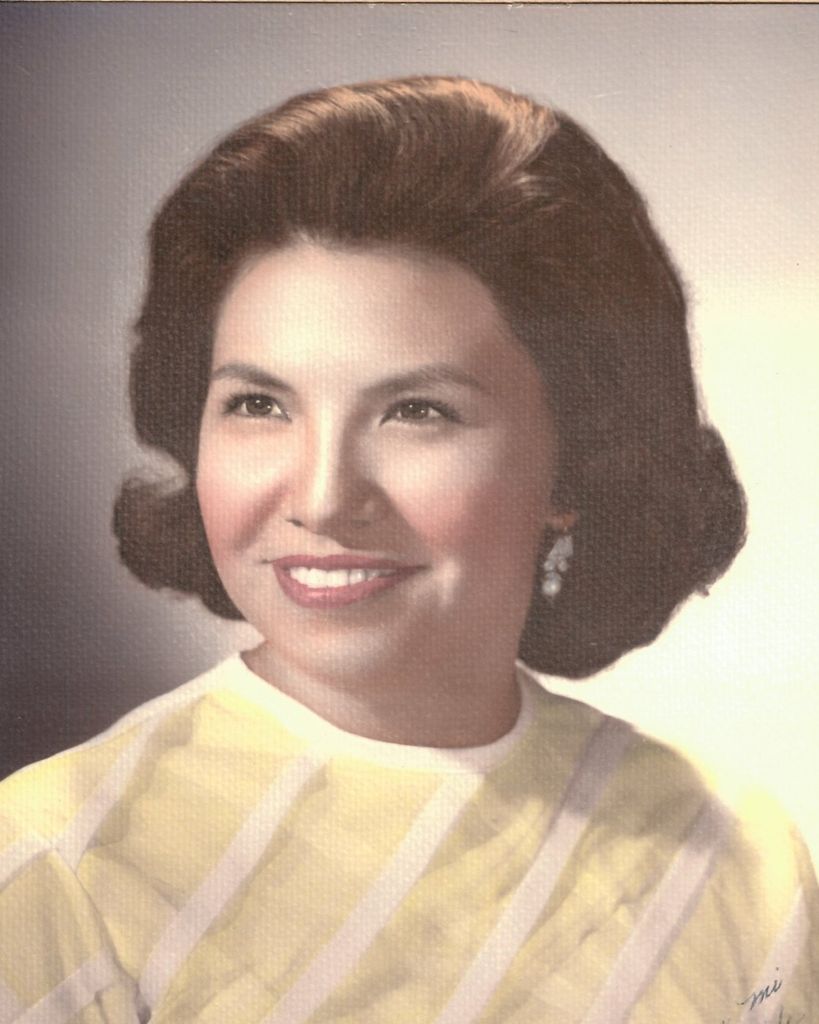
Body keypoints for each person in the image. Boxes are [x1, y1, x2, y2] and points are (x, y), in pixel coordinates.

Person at [0, 76, 815, 1023]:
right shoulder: (57, 860)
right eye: (258, 404)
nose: (321, 498)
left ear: (577, 462)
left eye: (416, 411)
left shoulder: (734, 858)